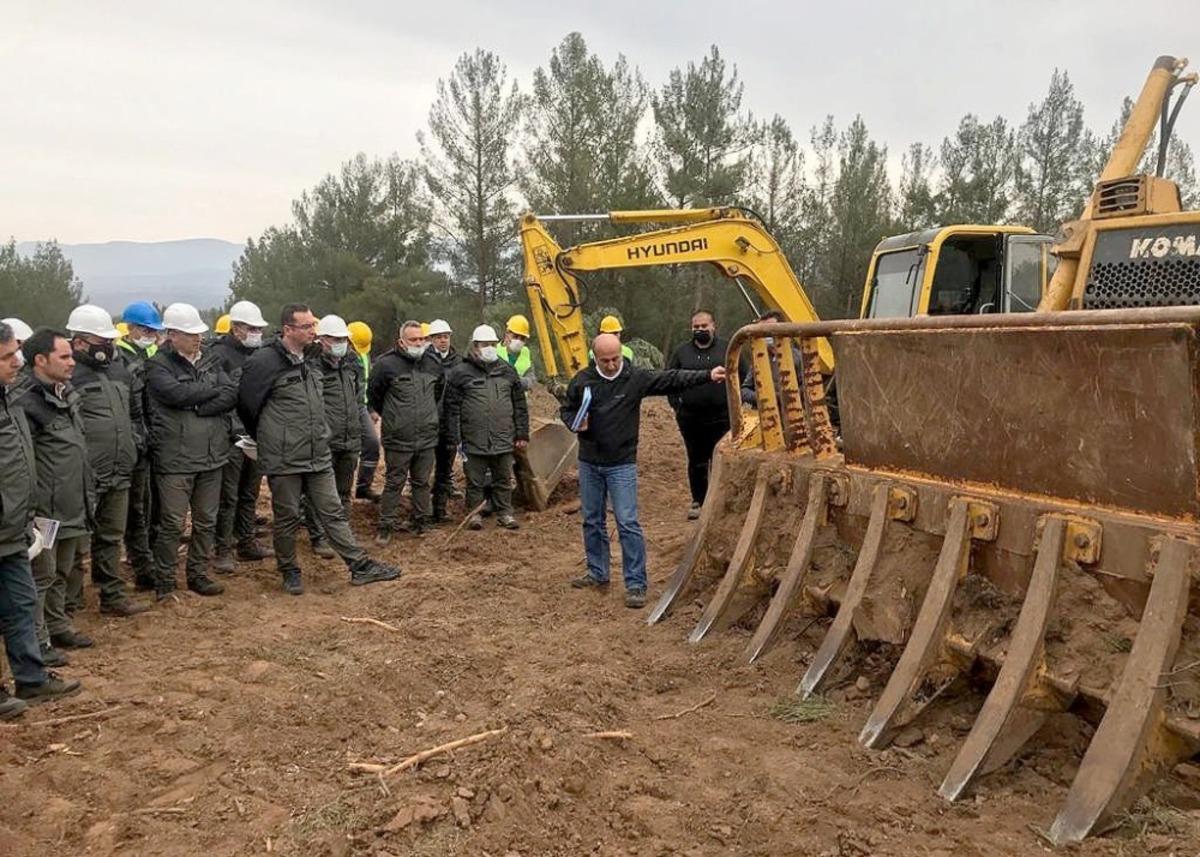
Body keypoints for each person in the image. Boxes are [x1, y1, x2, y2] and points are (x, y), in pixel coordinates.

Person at [238, 304, 399, 595]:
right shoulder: (264, 362)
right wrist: (272, 439)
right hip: (284, 456)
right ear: (288, 329)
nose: (314, 331)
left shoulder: (312, 358)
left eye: (314, 325)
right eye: (308, 327)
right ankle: (290, 572)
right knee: (286, 518)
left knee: (333, 511)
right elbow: (249, 406)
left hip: (317, 452)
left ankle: (359, 566)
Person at [562, 333, 726, 608]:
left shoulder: (634, 378)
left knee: (627, 522)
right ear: (595, 358)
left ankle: (636, 583)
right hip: (589, 461)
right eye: (606, 361)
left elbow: (672, 379)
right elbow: (567, 410)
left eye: (616, 359)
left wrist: (708, 374)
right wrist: (573, 423)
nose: (612, 365)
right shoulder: (582, 381)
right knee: (592, 520)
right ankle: (597, 572)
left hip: (622, 463)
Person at [0, 321, 81, 718]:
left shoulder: (11, 399)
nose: (16, 362)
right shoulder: (20, 398)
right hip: (7, 520)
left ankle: (31, 679)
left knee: (20, 602)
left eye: (15, 353)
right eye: (6, 356)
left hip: (15, 524)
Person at [12, 329, 94, 663]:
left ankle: (58, 624)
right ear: (40, 360)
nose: (72, 362)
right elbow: (24, 460)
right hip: (43, 509)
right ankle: (39, 641)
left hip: (71, 500)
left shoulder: (66, 392)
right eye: (64, 356)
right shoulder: (26, 403)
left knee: (63, 568)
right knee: (41, 575)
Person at [145, 303, 236, 600]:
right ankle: (165, 581)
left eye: (199, 332)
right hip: (176, 459)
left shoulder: (211, 359)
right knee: (172, 523)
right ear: (172, 335)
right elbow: (174, 394)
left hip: (212, 456)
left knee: (206, 521)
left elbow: (231, 394)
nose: (198, 338)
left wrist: (196, 403)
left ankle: (197, 574)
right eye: (190, 333)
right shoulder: (158, 365)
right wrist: (207, 395)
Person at [64, 305, 150, 617]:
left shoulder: (119, 370)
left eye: (109, 340)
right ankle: (69, 602)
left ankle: (112, 595)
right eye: (101, 340)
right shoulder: (69, 374)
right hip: (85, 475)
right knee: (76, 541)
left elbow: (134, 413)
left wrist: (137, 442)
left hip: (120, 468)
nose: (108, 346)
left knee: (112, 536)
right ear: (79, 342)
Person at [442, 325, 529, 531]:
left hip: (503, 437)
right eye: (484, 345)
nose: (489, 348)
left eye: (492, 344)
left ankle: (505, 513)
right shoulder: (460, 373)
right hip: (473, 438)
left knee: (503, 478)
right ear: (475, 346)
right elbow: (451, 408)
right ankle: (474, 513)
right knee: (475, 480)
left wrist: (522, 433)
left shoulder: (507, 370)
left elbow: (519, 405)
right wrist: (454, 437)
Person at [210, 300, 272, 573]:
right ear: (236, 328)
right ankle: (223, 549)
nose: (257, 332)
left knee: (250, 492)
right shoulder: (218, 355)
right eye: (252, 327)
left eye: (259, 327)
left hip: (257, 434)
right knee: (229, 496)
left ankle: (246, 542)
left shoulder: (260, 355)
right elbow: (220, 397)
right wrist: (236, 431)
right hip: (231, 438)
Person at [667, 310, 746, 520]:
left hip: (722, 417)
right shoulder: (681, 352)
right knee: (697, 460)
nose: (700, 330)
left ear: (713, 326)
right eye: (696, 327)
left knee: (721, 459)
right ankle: (699, 501)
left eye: (704, 326)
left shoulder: (728, 349)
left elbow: (744, 376)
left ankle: (721, 501)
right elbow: (670, 379)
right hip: (691, 418)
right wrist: (677, 406)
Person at [369, 320, 442, 543]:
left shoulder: (432, 363)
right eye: (413, 339)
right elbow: (375, 396)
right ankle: (386, 526)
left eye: (422, 339)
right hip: (398, 438)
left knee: (422, 482)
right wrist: (397, 419)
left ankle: (421, 522)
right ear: (401, 341)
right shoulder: (385, 365)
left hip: (427, 436)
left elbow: (437, 392)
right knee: (394, 482)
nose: (419, 343)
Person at [302, 314, 363, 549]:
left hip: (350, 438)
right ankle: (318, 537)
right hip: (325, 441)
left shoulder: (351, 363)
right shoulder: (312, 366)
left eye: (343, 339)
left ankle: (341, 534)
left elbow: (358, 398)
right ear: (322, 340)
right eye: (335, 339)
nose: (340, 343)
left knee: (344, 491)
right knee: (318, 493)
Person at [117, 300, 162, 590]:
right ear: (131, 328)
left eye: (153, 331)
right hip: (131, 446)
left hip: (146, 443)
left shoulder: (146, 355)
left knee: (145, 507)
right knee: (135, 511)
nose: (151, 335)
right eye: (146, 330)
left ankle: (146, 559)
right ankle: (142, 568)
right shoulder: (121, 360)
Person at [427, 318, 462, 522]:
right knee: (422, 472)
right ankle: (420, 512)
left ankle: (439, 511)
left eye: (446, 337)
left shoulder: (459, 363)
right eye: (439, 337)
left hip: (450, 423)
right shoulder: (423, 361)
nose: (443, 341)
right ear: (431, 339)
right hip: (428, 423)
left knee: (444, 470)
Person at [349, 321, 382, 502]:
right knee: (346, 453)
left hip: (361, 406)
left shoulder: (364, 356)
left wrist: (370, 408)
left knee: (371, 444)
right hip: (343, 409)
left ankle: (363, 486)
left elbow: (366, 384)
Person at [501, 315, 534, 390]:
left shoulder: (526, 353)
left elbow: (531, 380)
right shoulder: (495, 351)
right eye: (515, 336)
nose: (519, 341)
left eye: (522, 338)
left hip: (519, 399)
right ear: (507, 334)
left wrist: (519, 382)